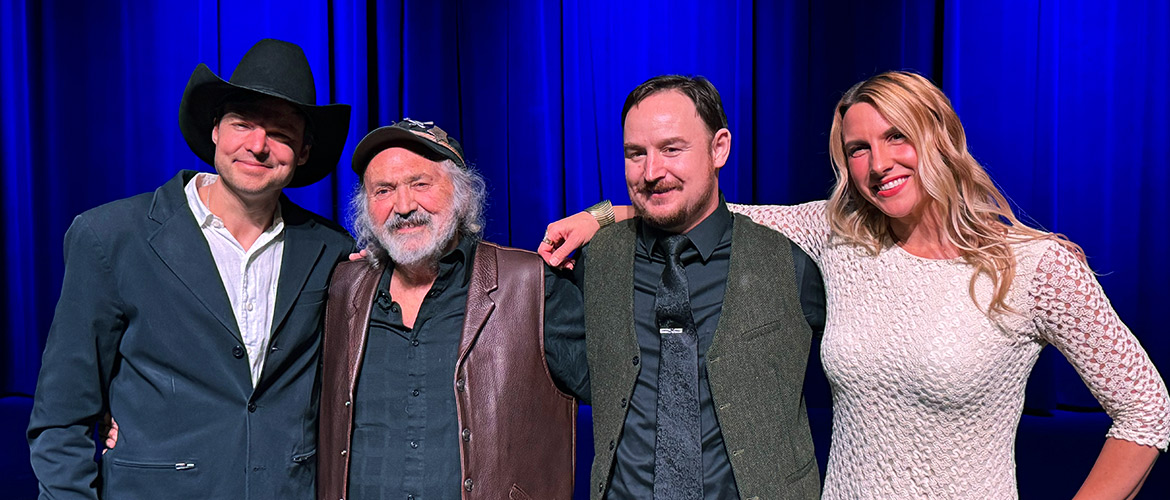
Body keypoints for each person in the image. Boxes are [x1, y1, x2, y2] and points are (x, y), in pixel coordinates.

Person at [542, 71, 1170, 499]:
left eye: (897, 136)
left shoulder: (1034, 267)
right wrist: (603, 215)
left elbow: (1147, 409)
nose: (879, 163)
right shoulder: (839, 235)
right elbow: (707, 207)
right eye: (858, 148)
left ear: (941, 138)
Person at [26, 39, 354, 499]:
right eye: (243, 124)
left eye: (279, 133)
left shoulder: (333, 251)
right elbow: (62, 417)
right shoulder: (110, 237)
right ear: (216, 130)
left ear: (302, 152)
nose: (257, 145)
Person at [543, 75, 827, 499]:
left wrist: (602, 212)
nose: (652, 172)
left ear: (720, 148)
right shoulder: (594, 261)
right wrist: (600, 218)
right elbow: (575, 370)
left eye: (672, 149)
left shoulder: (791, 263)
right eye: (635, 154)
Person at [316, 119, 584, 500]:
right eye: (384, 190)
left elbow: (628, 394)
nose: (404, 205)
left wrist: (609, 216)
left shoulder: (530, 285)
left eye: (420, 184)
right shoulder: (341, 288)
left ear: (461, 194)